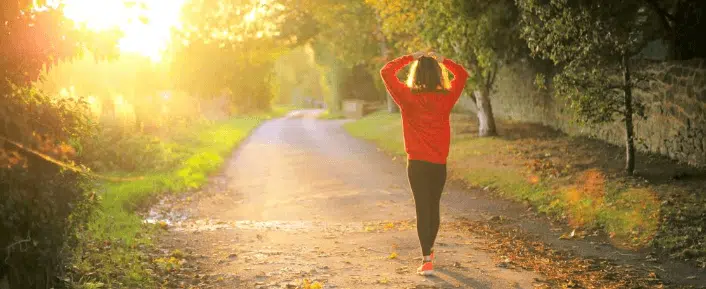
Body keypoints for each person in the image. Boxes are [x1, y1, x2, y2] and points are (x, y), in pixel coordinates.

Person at [380, 51, 469, 276]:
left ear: (416, 73)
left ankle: (427, 259)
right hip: (438, 163)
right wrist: (443, 60)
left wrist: (410, 57)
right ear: (439, 74)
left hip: (417, 164)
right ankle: (429, 250)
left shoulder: (407, 97)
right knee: (433, 206)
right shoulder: (446, 97)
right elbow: (462, 74)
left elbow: (386, 71)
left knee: (422, 208)